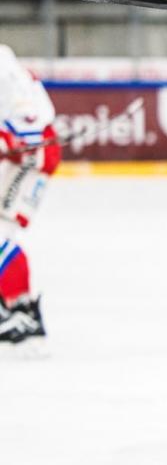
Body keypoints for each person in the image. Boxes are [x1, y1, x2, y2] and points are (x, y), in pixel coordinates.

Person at [0, 45, 61, 349]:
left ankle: (19, 312)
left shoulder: (1, 63)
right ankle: (17, 307)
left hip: (30, 155)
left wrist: (8, 138)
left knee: (1, 230)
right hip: (21, 153)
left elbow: (29, 118)